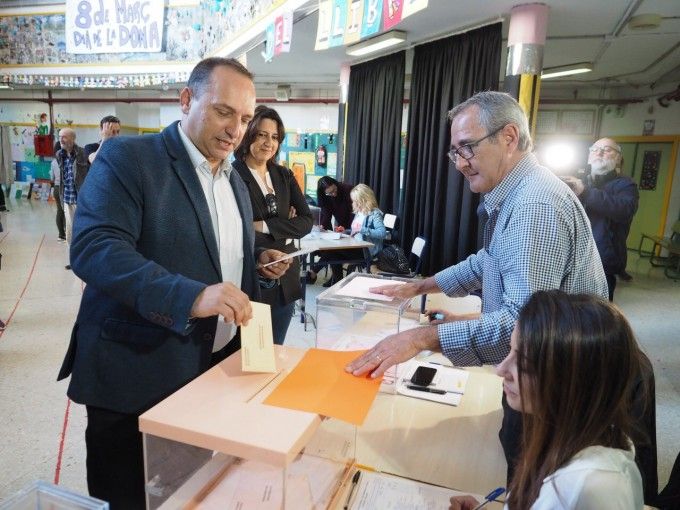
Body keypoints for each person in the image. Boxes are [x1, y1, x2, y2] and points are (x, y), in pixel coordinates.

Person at [56, 57, 291, 509]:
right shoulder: (130, 158)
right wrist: (192, 295)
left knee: (187, 494)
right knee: (131, 498)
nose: (236, 130)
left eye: (245, 118)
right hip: (136, 376)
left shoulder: (233, 179)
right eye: (223, 112)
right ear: (186, 100)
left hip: (206, 371)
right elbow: (95, 247)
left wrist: (256, 259)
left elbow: (215, 250)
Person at [346, 91, 608, 483]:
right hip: (543, 377)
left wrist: (422, 338)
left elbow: (520, 325)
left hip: (556, 389)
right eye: (454, 152)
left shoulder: (535, 205)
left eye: (467, 147)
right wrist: (420, 286)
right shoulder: (519, 193)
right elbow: (488, 260)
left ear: (509, 137)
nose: (460, 163)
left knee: (531, 482)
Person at [449, 290, 646, 510]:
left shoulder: (585, 489)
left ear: (572, 382)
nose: (501, 370)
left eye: (524, 363)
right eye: (510, 350)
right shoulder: (566, 434)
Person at [233, 105, 313, 344]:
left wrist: (263, 226)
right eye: (262, 135)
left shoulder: (284, 175)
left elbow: (306, 221)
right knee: (250, 353)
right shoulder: (232, 175)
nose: (269, 143)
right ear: (248, 136)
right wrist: (286, 224)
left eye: (275, 137)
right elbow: (236, 228)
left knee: (277, 349)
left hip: (286, 279)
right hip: (252, 279)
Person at [562, 138, 639, 300]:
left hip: (603, 261)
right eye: (595, 149)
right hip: (571, 258)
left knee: (597, 311)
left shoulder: (625, 185)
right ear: (589, 156)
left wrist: (586, 192)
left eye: (607, 149)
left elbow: (625, 210)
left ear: (618, 158)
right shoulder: (579, 181)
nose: (600, 152)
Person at [308, 176, 355, 285]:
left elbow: (353, 215)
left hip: (351, 229)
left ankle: (314, 273)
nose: (333, 194)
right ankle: (335, 279)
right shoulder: (325, 197)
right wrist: (322, 226)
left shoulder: (348, 190)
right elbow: (326, 214)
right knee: (331, 249)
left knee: (332, 250)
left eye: (334, 190)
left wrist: (348, 229)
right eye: (329, 193)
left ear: (336, 184)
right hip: (343, 229)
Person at [55, 127, 89, 263]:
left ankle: (85, 258)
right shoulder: (59, 154)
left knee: (83, 230)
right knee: (69, 232)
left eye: (64, 137)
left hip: (82, 200)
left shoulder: (83, 153)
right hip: (67, 199)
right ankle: (73, 260)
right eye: (59, 136)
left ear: (73, 139)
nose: (61, 139)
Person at [49, 154, 66, 242]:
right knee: (67, 211)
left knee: (60, 210)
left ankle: (61, 235)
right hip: (66, 188)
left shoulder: (53, 162)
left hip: (56, 188)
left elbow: (51, 177)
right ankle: (67, 233)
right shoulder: (68, 160)